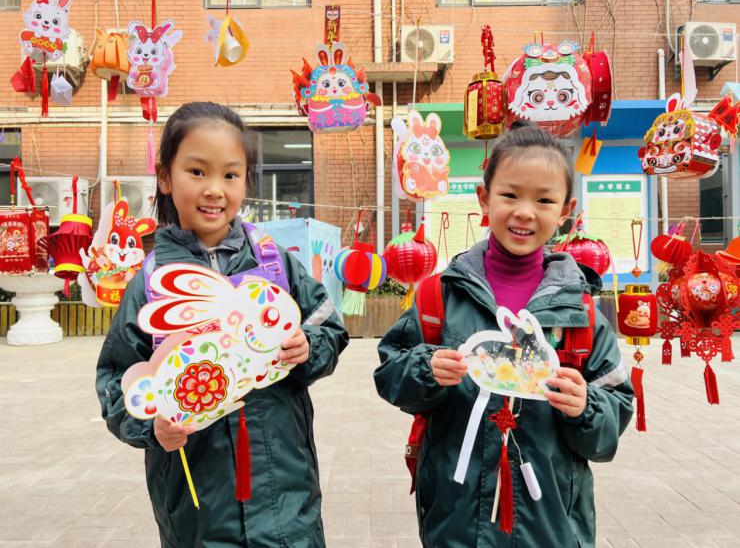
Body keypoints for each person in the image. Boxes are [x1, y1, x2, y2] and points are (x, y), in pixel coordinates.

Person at [95, 101, 349, 547]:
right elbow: (116, 378)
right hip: (197, 507)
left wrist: (308, 345)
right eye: (197, 172)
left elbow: (329, 325)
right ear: (165, 177)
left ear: (245, 181)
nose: (214, 189)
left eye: (230, 175)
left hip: (286, 492)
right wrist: (151, 426)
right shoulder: (152, 283)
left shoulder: (275, 264)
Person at [374, 120, 634, 548]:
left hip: (550, 527)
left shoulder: (581, 313)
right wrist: (424, 370)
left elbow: (613, 421)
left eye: (544, 200)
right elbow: (390, 376)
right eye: (510, 195)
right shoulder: (440, 296)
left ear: (565, 211)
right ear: (484, 198)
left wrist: (586, 406)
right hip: (456, 524)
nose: (525, 212)